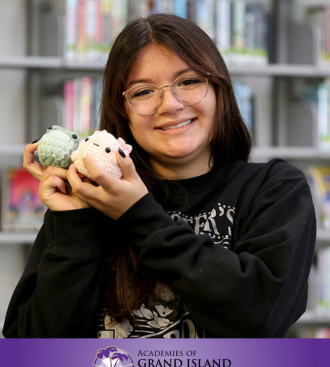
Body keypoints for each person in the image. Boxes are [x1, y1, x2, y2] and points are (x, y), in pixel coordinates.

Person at [3, 13, 316, 339]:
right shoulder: (89, 200)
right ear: (122, 109)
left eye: (189, 81)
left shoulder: (275, 189)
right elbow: (29, 359)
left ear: (218, 88)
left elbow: (263, 318)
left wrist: (138, 214)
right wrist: (72, 227)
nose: (170, 104)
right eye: (143, 91)